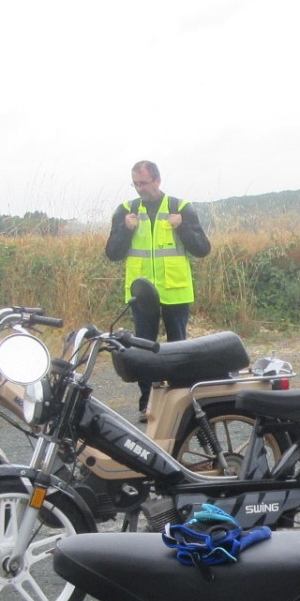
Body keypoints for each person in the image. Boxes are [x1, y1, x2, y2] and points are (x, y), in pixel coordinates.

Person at [104, 160, 212, 418]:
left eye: (144, 183)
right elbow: (112, 253)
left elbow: (202, 249)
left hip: (175, 290)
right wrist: (125, 230)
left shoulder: (180, 208)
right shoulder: (126, 211)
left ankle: (181, 403)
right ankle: (147, 404)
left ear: (157, 180)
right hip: (142, 294)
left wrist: (182, 225)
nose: (140, 189)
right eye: (136, 184)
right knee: (143, 350)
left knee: (178, 349)